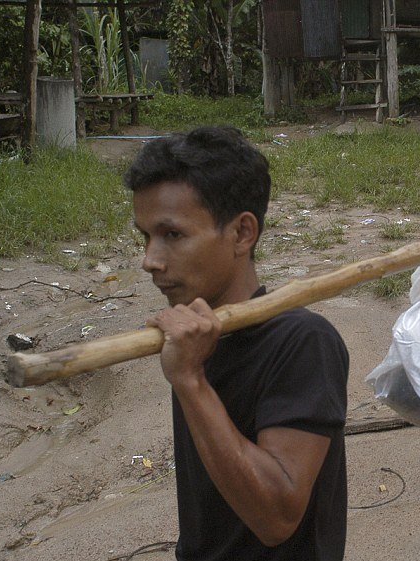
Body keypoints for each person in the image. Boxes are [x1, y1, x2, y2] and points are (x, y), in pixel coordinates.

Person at [124, 126, 349, 560]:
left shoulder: (303, 342)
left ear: (243, 233)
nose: (149, 260)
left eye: (172, 235)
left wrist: (191, 381)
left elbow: (276, 519)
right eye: (145, 237)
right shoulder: (196, 336)